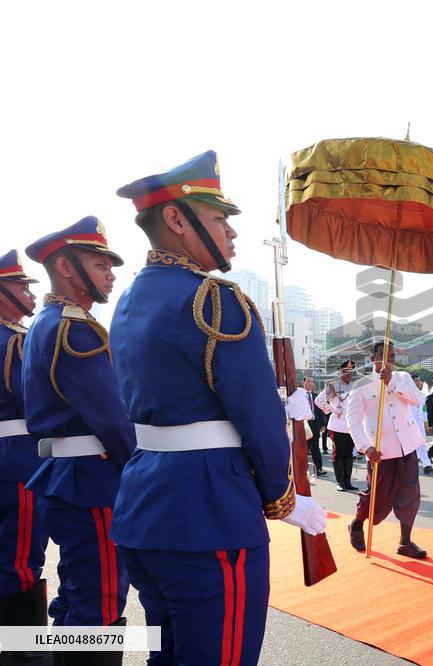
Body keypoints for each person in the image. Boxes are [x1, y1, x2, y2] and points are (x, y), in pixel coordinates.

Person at [111, 152, 326, 664]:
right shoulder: (214, 301)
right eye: (219, 219)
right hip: (210, 516)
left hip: (145, 509)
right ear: (176, 219)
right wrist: (284, 496)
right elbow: (256, 416)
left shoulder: (128, 299)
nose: (231, 233)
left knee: (168, 655)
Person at [21, 218, 137, 654]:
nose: (110, 273)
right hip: (91, 480)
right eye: (99, 263)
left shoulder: (50, 322)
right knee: (100, 602)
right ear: (67, 268)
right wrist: (141, 469)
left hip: (69, 474)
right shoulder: (73, 329)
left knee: (77, 593)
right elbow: (112, 420)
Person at [0, 250, 50, 657]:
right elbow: (40, 404)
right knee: (18, 561)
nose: (30, 295)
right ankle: (22, 652)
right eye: (20, 287)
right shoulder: (16, 342)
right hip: (17, 459)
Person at [347, 340, 428, 558]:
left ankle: (405, 542)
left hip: (407, 447)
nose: (388, 360)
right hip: (380, 451)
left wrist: (392, 383)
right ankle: (357, 523)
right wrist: (366, 447)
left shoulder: (403, 378)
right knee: (378, 496)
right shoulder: (361, 385)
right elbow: (353, 421)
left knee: (410, 495)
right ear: (373, 359)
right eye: (383, 356)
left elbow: (418, 399)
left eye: (391, 356)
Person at [315, 362, 360, 490]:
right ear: (340, 373)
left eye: (351, 372)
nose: (349, 374)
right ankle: (340, 482)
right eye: (346, 372)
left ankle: (347, 481)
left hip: (351, 425)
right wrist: (333, 410)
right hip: (337, 426)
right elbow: (318, 401)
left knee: (349, 454)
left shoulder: (354, 386)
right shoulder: (333, 386)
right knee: (339, 454)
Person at [408, 375, 433, 475]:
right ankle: (407, 467)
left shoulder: (421, 395)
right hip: (409, 425)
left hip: (420, 424)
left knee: (422, 445)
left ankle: (427, 465)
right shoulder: (406, 394)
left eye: (419, 381)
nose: (419, 383)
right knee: (409, 447)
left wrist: (426, 423)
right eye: (417, 381)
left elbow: (424, 410)